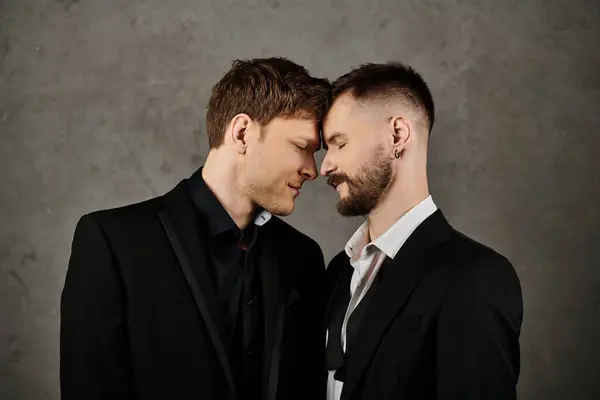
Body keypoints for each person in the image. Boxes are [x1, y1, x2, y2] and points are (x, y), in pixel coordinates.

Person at [60, 57, 331, 400]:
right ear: (242, 132)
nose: (313, 170)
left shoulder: (303, 258)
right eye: (301, 147)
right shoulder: (113, 242)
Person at [320, 62, 523, 400]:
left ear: (398, 135)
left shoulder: (475, 277)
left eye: (339, 144)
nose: (325, 166)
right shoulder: (338, 272)